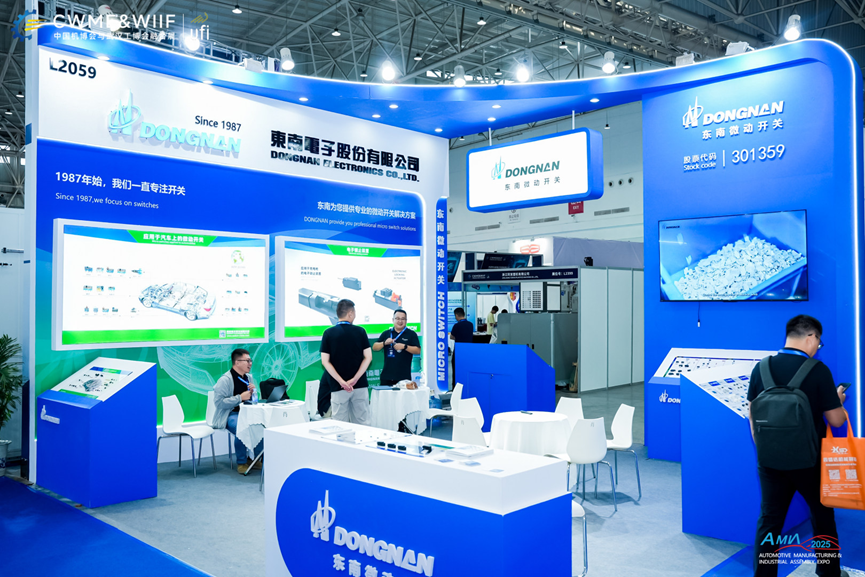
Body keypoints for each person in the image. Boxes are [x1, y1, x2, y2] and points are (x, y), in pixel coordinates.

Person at [747, 315, 848, 577]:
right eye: (819, 342)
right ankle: (829, 573)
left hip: (769, 461)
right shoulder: (818, 370)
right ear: (812, 337)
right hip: (809, 461)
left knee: (769, 520)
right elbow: (836, 420)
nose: (817, 347)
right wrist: (837, 400)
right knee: (822, 517)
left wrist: (765, 449)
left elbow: (752, 414)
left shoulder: (761, 368)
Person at [320, 299, 373, 425]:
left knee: (339, 425)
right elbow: (368, 357)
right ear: (350, 314)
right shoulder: (361, 331)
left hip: (338, 387)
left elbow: (325, 361)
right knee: (362, 423)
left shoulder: (328, 333)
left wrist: (341, 382)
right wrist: (355, 379)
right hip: (359, 385)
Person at [212, 348, 263, 474]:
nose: (250, 363)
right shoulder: (225, 380)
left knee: (261, 426)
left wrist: (254, 393)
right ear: (237, 362)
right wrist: (240, 398)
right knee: (242, 427)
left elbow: (255, 400)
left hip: (248, 413)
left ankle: (255, 459)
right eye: (247, 361)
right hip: (230, 414)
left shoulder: (249, 378)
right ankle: (241, 462)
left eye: (250, 360)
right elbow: (219, 403)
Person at [372, 309, 421, 386]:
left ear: (406, 321)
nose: (400, 321)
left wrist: (404, 346)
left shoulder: (411, 334)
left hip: (404, 378)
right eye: (397, 318)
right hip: (386, 377)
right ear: (393, 320)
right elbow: (374, 347)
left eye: (403, 319)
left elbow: (418, 350)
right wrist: (384, 343)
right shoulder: (387, 333)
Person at [450, 307, 473, 391]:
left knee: (456, 369)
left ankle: (455, 388)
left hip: (458, 351)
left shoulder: (456, 326)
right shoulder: (470, 324)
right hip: (468, 351)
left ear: (456, 315)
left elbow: (451, 337)